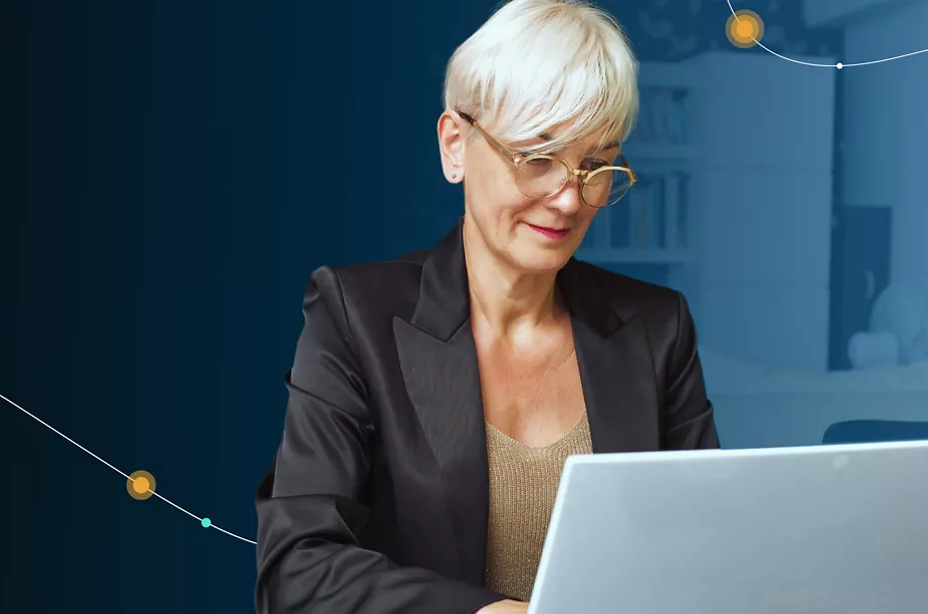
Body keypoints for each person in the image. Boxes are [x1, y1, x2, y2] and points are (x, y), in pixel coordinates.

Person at [253, 1, 720, 612]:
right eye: (538, 157)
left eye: (595, 165)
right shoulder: (354, 315)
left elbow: (707, 549)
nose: (566, 199)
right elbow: (298, 568)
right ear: (455, 145)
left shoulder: (657, 327)